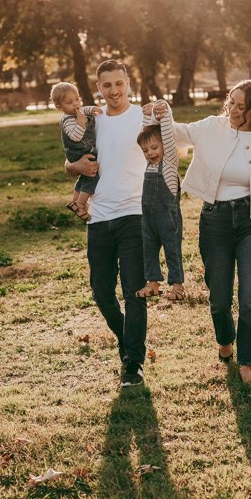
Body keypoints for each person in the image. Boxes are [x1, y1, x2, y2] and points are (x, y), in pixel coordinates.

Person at [166, 80, 251, 384]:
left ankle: (247, 361)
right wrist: (160, 110)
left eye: (240, 105)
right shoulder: (212, 126)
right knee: (219, 296)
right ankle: (225, 339)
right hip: (215, 220)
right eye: (231, 102)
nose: (233, 109)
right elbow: (177, 133)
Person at [65, 60, 148, 388]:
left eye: (119, 83)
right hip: (100, 216)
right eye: (106, 85)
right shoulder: (92, 121)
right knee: (101, 292)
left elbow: (169, 151)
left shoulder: (144, 116)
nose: (113, 91)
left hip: (134, 214)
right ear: (98, 88)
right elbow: (69, 161)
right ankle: (128, 340)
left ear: (128, 82)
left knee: (134, 292)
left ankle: (133, 362)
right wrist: (76, 167)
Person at [135, 103, 185, 301]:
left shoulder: (170, 163)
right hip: (148, 217)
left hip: (167, 217)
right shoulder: (149, 164)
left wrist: (163, 114)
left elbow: (167, 135)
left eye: (155, 148)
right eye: (146, 150)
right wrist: (147, 117)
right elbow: (145, 135)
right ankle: (153, 284)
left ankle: (178, 286)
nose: (150, 153)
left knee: (172, 250)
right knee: (148, 249)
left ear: (164, 145)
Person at [53, 81, 102, 221]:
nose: (76, 104)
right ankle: (81, 204)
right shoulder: (67, 121)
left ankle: (74, 200)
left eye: (77, 99)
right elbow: (75, 137)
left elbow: (83, 110)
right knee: (93, 175)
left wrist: (91, 109)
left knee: (83, 177)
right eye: (70, 102)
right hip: (78, 152)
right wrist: (81, 123)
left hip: (80, 151)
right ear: (59, 107)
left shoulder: (76, 111)